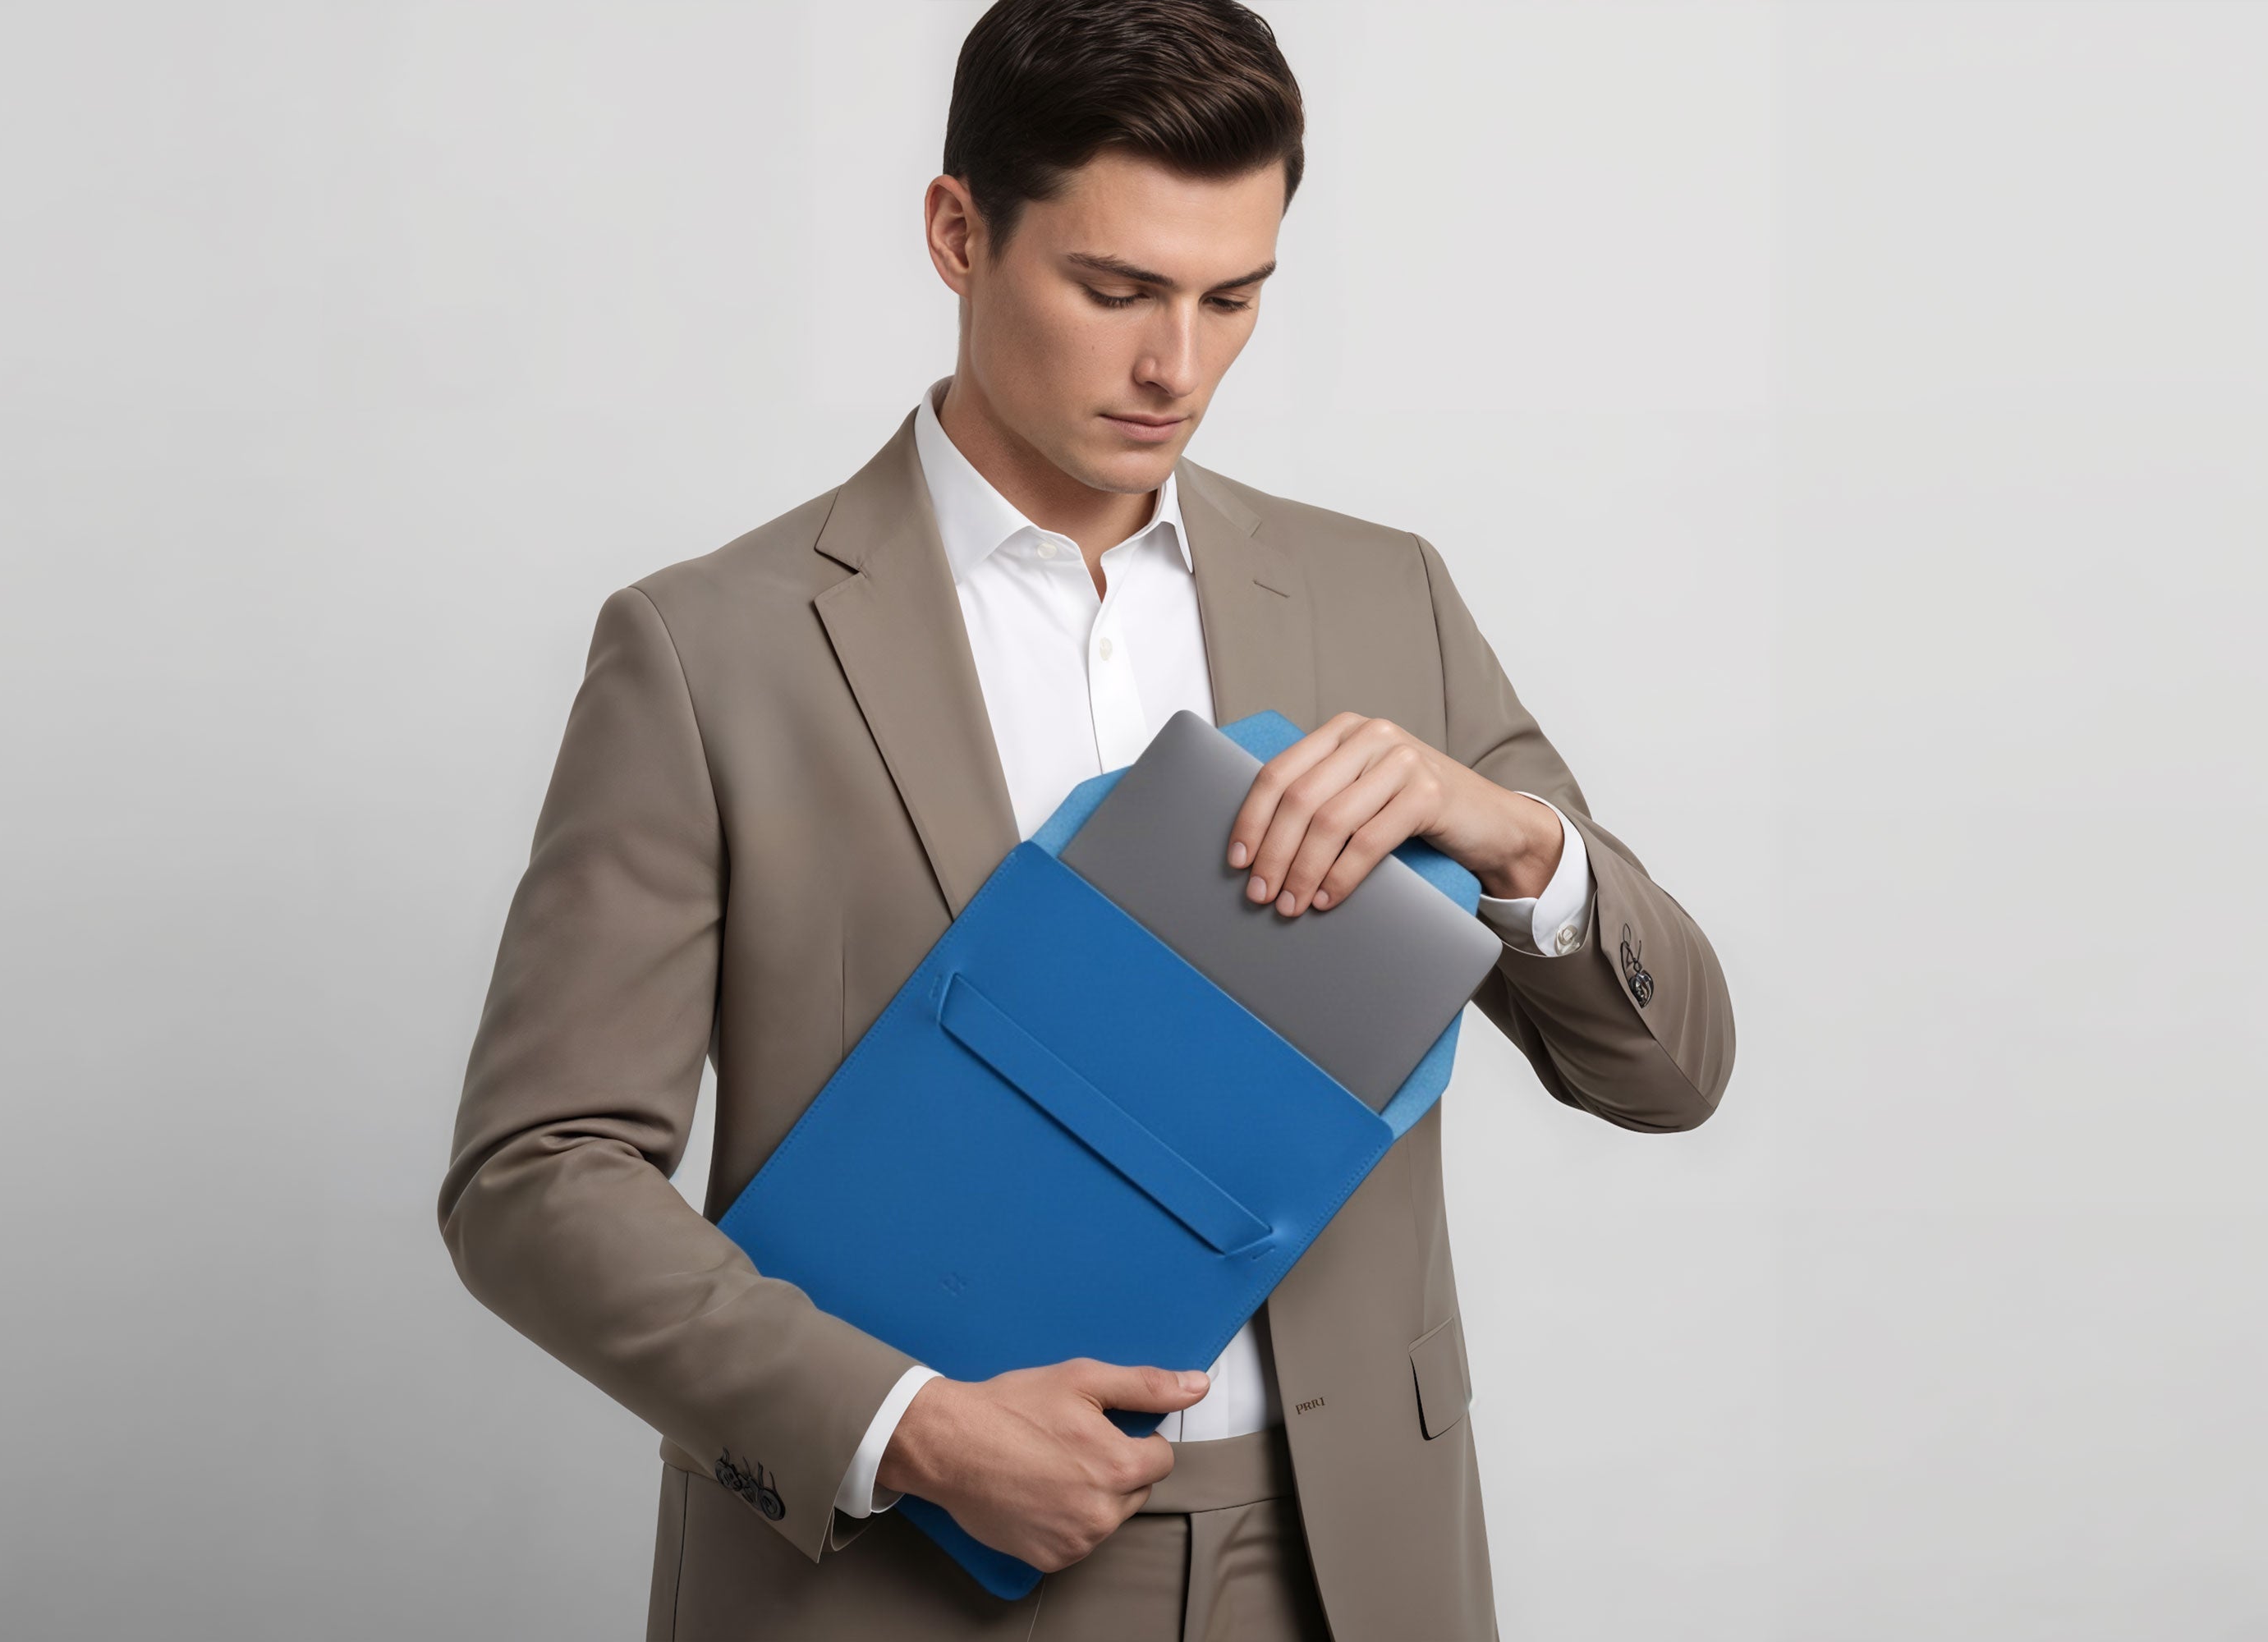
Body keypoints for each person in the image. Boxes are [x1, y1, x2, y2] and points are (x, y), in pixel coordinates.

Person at [437, 1, 1736, 1636]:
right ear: (957, 232)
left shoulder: (1381, 594)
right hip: (898, 1570)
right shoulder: (712, 651)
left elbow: (1675, 1068)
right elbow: (536, 1176)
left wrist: (1525, 847)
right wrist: (904, 1424)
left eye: (1232, 298)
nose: (1173, 366)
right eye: (1115, 290)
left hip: (1344, 1563)